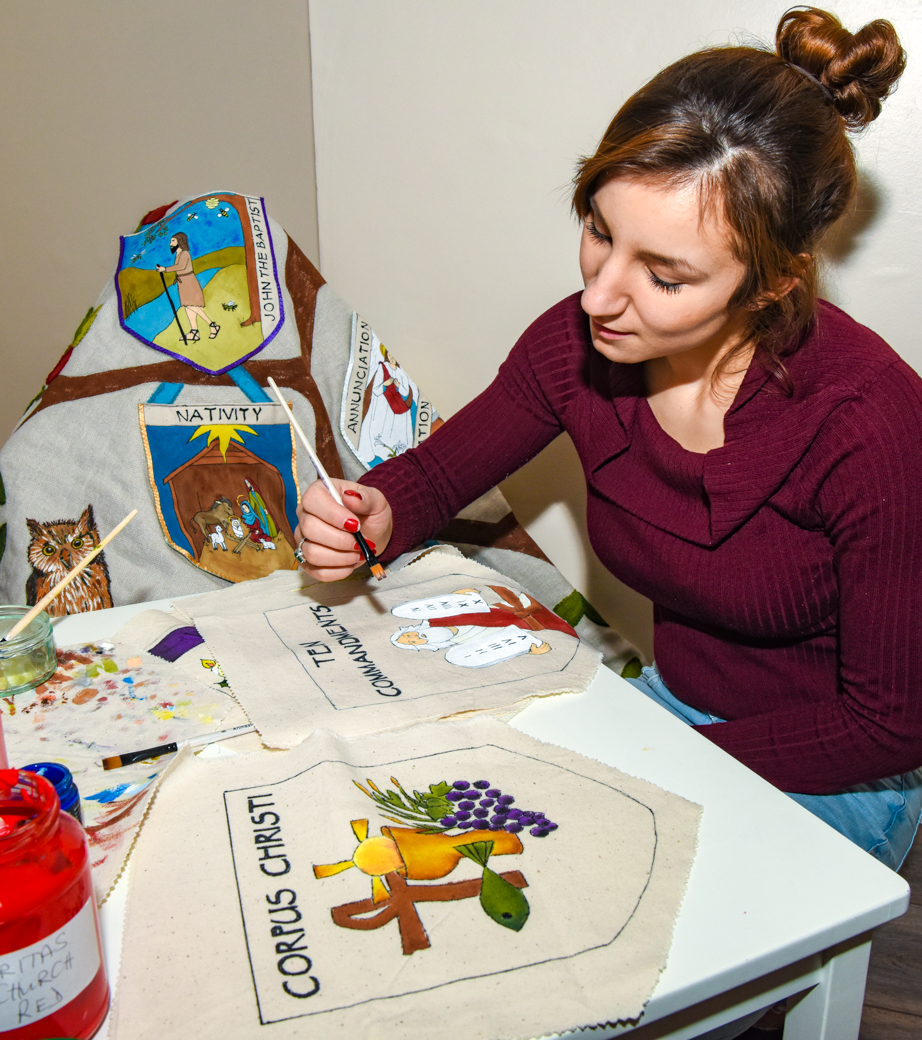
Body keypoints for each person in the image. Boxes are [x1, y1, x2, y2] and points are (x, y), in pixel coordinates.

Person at [296, 8, 919, 871]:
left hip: (837, 769)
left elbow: (890, 724)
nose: (597, 297)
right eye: (598, 229)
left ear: (773, 283)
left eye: (664, 276)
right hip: (671, 711)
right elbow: (435, 477)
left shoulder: (872, 425)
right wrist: (375, 511)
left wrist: (658, 761)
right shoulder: (578, 345)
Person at [156, 232, 220, 343]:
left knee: (192, 306)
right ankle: (194, 332)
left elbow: (181, 266)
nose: (170, 244)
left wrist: (164, 269)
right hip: (183, 282)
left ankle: (212, 325)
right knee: (187, 306)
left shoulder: (185, 253)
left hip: (188, 281)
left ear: (180, 241)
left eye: (173, 241)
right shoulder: (178, 253)